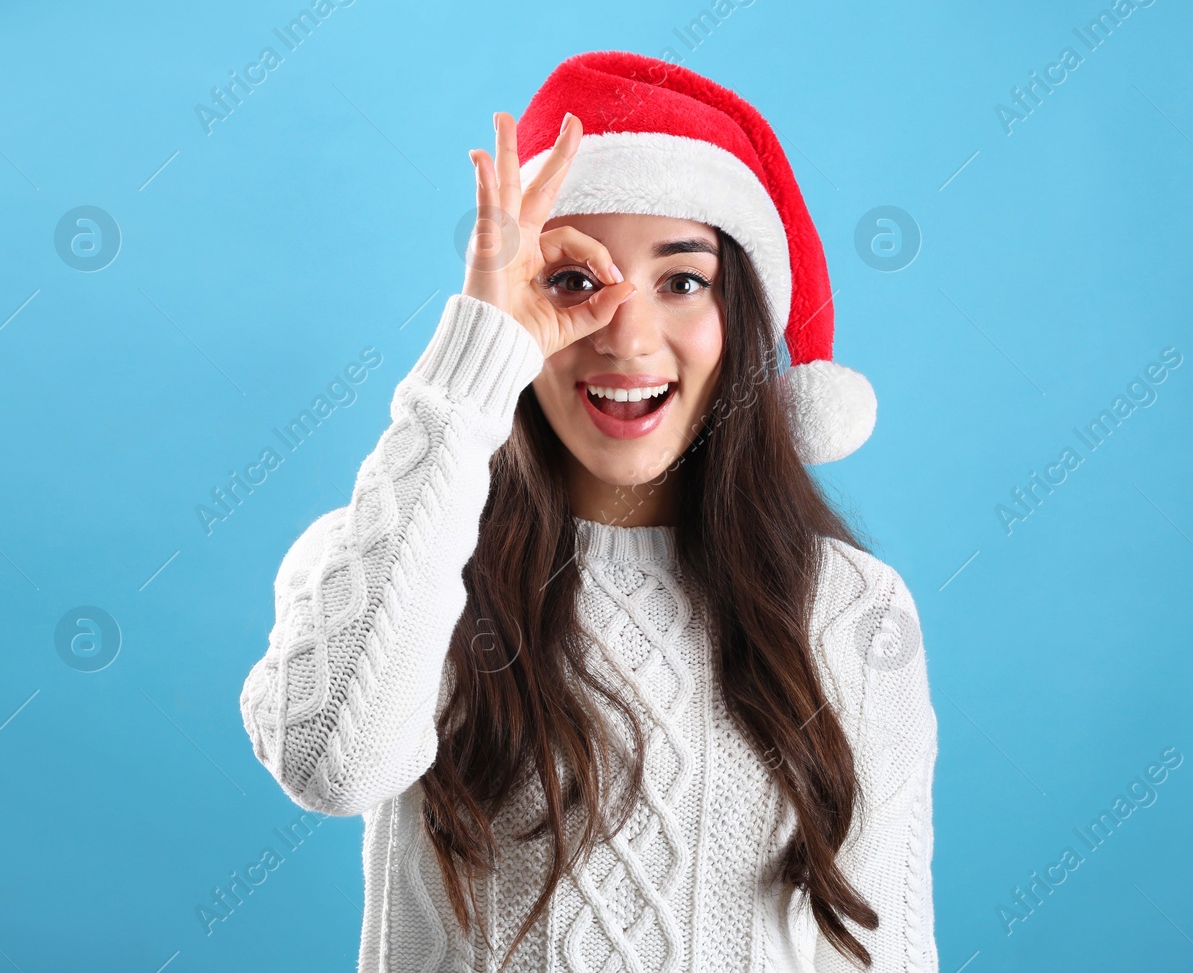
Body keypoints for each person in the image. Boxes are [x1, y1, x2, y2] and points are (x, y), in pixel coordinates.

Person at [241, 51, 938, 973]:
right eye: (573, 281)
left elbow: (890, 945)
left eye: (683, 280)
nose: (628, 335)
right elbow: (328, 761)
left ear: (740, 313)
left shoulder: (855, 607)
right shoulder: (397, 560)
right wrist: (474, 360)